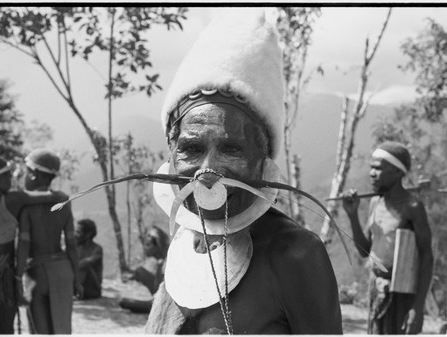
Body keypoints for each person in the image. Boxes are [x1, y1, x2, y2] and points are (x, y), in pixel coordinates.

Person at [145, 9, 342, 334]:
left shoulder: (294, 255)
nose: (207, 172)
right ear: (171, 153)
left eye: (231, 149)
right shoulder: (186, 236)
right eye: (192, 149)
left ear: (262, 161)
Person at [0, 154, 68, 334]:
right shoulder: (14, 200)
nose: (11, 178)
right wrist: (61, 195)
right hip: (5, 281)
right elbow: (47, 197)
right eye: (8, 175)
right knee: (5, 329)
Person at [342, 141, 434, 334]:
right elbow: (364, 250)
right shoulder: (376, 202)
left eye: (378, 168)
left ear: (398, 172)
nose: (372, 173)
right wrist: (352, 215)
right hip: (377, 291)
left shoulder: (413, 208)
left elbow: (426, 256)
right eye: (371, 168)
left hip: (402, 294)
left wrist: (417, 308)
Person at [15, 149, 83, 334]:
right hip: (63, 272)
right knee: (62, 329)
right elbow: (71, 245)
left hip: (38, 275)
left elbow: (24, 246)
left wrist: (17, 277)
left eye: (27, 172)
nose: (24, 177)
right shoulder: (63, 202)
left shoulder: (27, 206)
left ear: (34, 174)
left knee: (40, 331)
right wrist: (76, 279)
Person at [120, 226, 169, 313]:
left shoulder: (164, 264)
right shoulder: (157, 262)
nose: (145, 248)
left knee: (124, 302)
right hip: (157, 301)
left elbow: (161, 292)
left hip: (161, 304)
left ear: (157, 245)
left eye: (148, 245)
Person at [75, 218, 103, 300]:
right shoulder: (75, 247)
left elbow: (85, 263)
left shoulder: (97, 249)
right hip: (78, 285)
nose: (75, 234)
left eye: (78, 232)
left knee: (84, 266)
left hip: (92, 289)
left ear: (88, 234)